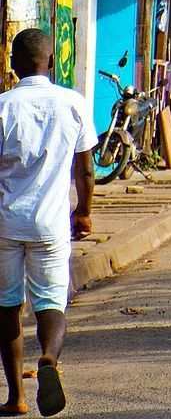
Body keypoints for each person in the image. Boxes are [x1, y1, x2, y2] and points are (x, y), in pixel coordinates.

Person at [0, 30, 96, 417]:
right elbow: (86, 169)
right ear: (52, 62)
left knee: (7, 306)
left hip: (6, 224)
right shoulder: (73, 103)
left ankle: (16, 397)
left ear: (12, 65)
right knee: (51, 304)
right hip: (52, 225)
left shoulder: (3, 106)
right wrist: (83, 211)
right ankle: (49, 361)